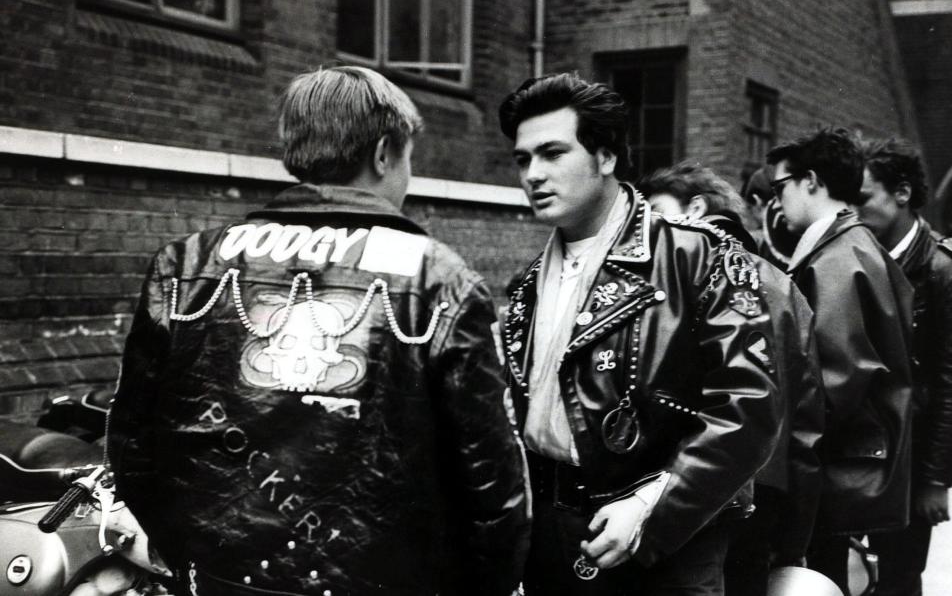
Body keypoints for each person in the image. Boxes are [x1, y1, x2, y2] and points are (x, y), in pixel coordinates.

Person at [107, 65, 529, 596]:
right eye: (407, 159)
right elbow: (490, 479)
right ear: (382, 153)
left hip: (221, 577)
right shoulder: (438, 278)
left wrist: (189, 555)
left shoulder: (188, 262)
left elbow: (131, 444)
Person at [498, 72, 782, 596]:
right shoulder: (528, 285)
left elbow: (749, 405)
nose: (533, 174)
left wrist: (653, 506)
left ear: (605, 157)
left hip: (669, 542)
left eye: (553, 153)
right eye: (523, 158)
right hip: (552, 535)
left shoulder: (698, 257)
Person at [639, 162, 825, 596]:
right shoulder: (783, 286)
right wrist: (796, 533)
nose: (645, 225)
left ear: (696, 208)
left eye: (655, 211)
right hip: (766, 495)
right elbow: (807, 423)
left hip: (690, 494)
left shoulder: (676, 283)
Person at [765, 128, 914, 594]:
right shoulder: (851, 247)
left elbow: (834, 381)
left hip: (832, 475)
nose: (776, 202)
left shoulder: (836, 257)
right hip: (846, 468)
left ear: (810, 181)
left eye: (779, 187)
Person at [856, 138, 952, 596]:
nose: (854, 210)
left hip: (912, 460)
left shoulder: (944, 270)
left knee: (898, 579)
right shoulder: (862, 258)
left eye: (864, 197)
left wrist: (936, 480)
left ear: (901, 193)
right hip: (864, 453)